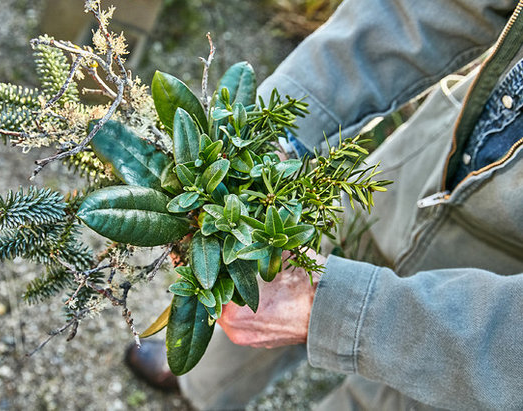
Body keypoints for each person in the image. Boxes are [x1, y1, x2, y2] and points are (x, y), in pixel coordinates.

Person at [127, 0, 523, 409]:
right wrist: (274, 136)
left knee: (401, 396)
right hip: (431, 159)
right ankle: (200, 385)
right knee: (306, 256)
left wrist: (340, 311)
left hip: (490, 320)